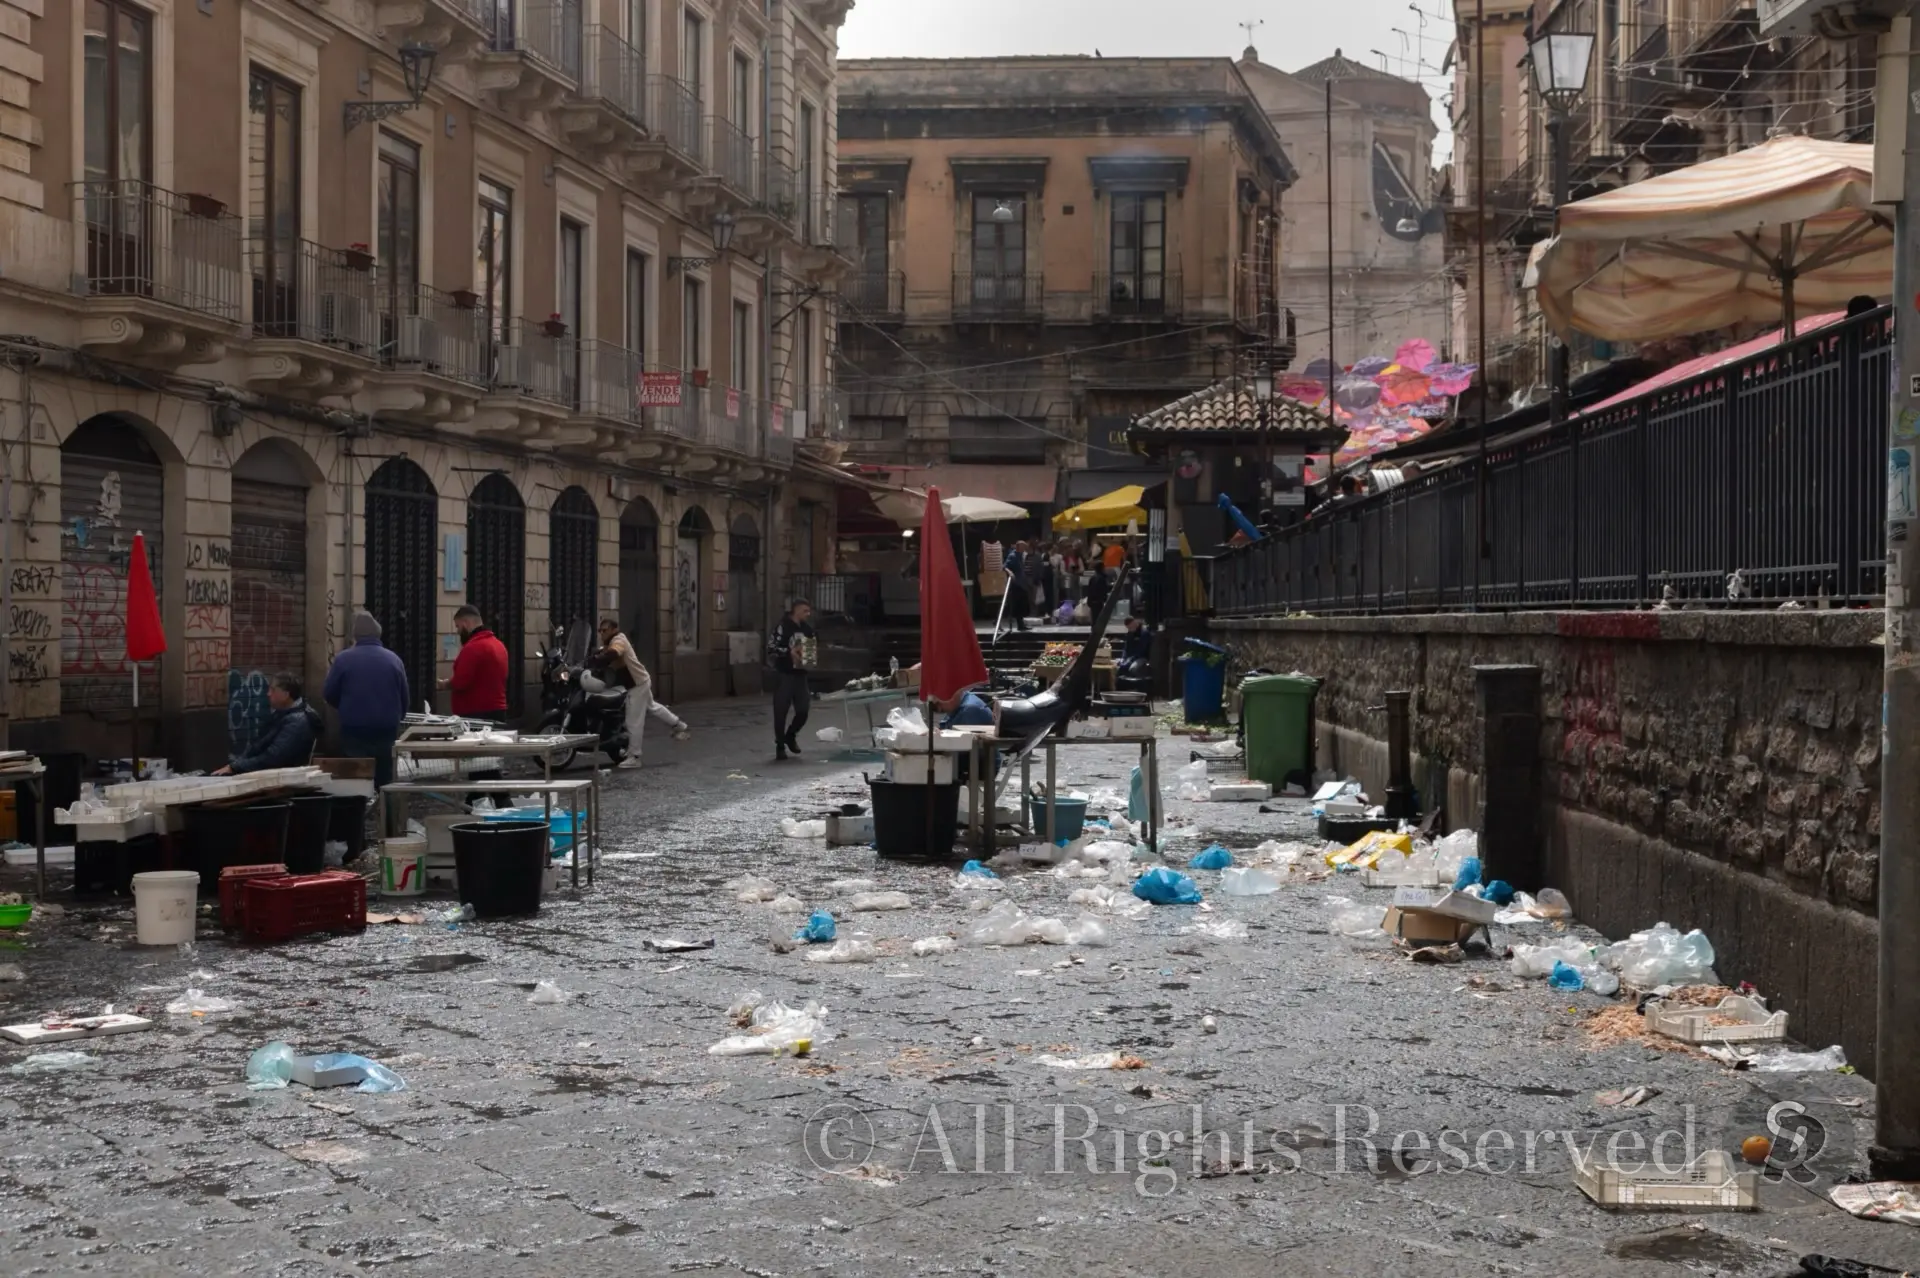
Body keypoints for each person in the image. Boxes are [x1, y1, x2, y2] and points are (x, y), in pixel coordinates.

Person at [323, 611, 409, 790]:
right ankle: (387, 814)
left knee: (356, 778)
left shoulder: (343, 659)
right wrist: (397, 717)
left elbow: (329, 693)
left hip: (354, 729)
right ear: (378, 634)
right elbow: (404, 697)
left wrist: (345, 707)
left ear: (356, 635)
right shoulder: (394, 660)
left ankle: (358, 813)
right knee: (386, 778)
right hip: (386, 729)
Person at [594, 616, 690, 769]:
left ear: (614, 630)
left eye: (605, 630)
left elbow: (614, 653)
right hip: (641, 680)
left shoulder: (618, 640)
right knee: (652, 706)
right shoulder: (612, 641)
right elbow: (604, 652)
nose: (602, 633)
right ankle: (678, 724)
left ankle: (634, 756)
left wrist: (601, 659)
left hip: (637, 684)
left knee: (633, 720)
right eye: (600, 631)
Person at [214, 672, 321, 775]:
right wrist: (235, 765)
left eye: (273, 690)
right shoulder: (282, 714)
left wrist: (235, 767)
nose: (268, 694)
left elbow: (273, 757)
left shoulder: (297, 722)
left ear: (285, 694)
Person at [440, 604, 509, 724]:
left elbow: (461, 681)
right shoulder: (499, 645)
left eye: (458, 626)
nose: (458, 631)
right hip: (498, 710)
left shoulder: (473, 647)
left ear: (466, 623)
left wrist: (445, 684)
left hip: (475, 714)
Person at [767, 598, 816, 759]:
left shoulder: (808, 629)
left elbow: (810, 651)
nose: (807, 614)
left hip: (800, 675)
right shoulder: (783, 627)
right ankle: (780, 745)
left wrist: (809, 659)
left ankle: (791, 735)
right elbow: (771, 648)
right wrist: (789, 652)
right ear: (796, 610)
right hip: (785, 674)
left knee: (803, 710)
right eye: (805, 611)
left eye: (809, 611)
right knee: (780, 711)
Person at [1003, 540, 1030, 631]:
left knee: (1022, 604)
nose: (1024, 549)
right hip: (1016, 584)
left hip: (1022, 583)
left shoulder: (1020, 556)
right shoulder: (1012, 556)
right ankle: (1020, 625)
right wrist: (1010, 572)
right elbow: (1005, 566)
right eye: (1023, 547)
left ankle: (1021, 624)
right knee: (1017, 604)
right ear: (1018, 547)